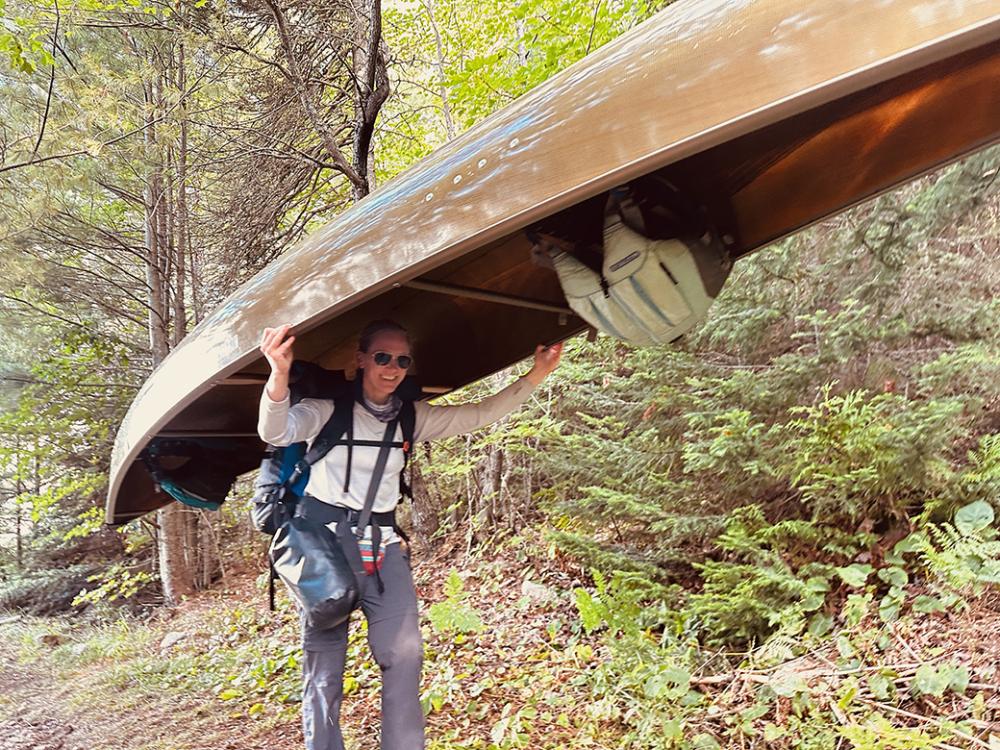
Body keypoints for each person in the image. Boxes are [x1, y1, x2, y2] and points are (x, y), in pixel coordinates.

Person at [257, 319, 562, 750]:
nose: (392, 367)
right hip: (324, 550)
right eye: (382, 356)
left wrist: (537, 374)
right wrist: (279, 372)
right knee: (324, 670)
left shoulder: (409, 419)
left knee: (404, 655)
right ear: (361, 359)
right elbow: (275, 431)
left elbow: (479, 414)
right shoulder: (326, 410)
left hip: (383, 552)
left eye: (402, 360)